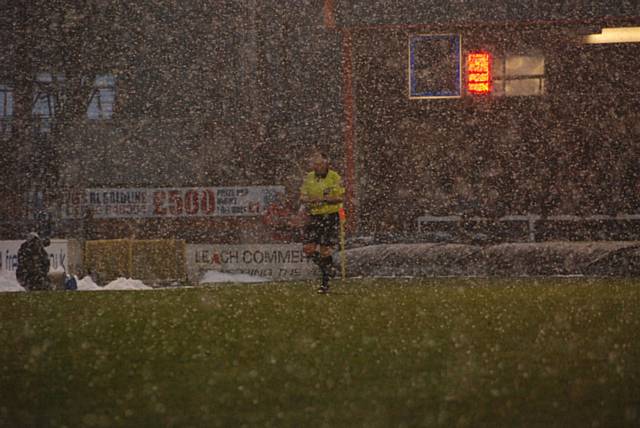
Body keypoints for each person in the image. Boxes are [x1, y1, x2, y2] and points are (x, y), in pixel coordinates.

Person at [299, 151, 345, 294]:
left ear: (326, 163)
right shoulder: (308, 178)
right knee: (308, 249)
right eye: (314, 164)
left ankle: (325, 284)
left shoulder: (334, 177)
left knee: (325, 251)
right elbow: (302, 197)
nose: (316, 167)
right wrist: (309, 200)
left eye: (319, 163)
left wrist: (323, 199)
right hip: (314, 216)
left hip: (330, 216)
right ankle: (328, 269)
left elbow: (339, 197)